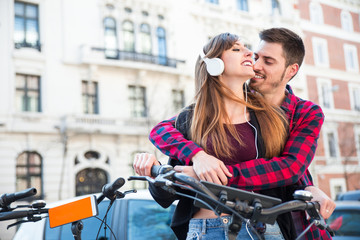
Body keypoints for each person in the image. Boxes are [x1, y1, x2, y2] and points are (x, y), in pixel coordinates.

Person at [135, 28, 335, 239]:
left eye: (268, 61)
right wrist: (188, 160)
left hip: (261, 227)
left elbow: (287, 167)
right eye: (253, 55)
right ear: (215, 64)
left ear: (291, 70)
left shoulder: (276, 118)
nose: (256, 63)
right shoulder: (194, 119)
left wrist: (308, 186)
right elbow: (160, 132)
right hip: (205, 228)